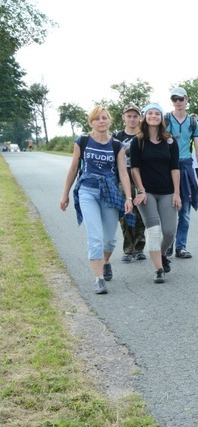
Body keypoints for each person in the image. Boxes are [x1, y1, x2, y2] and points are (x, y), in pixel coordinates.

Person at [59, 106, 133, 294]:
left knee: (109, 240)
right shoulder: (83, 141)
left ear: (110, 121)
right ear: (91, 122)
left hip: (109, 193)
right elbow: (73, 169)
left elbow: (123, 174)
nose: (101, 121)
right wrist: (65, 194)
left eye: (104, 118)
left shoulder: (117, 146)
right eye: (97, 118)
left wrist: (129, 197)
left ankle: (106, 261)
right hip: (87, 191)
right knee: (95, 238)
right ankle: (99, 279)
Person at [129, 103, 181, 283]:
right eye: (150, 113)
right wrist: (141, 190)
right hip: (147, 193)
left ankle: (161, 254)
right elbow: (134, 169)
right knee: (154, 231)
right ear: (145, 117)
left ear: (161, 118)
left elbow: (175, 168)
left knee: (169, 232)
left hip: (167, 192)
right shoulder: (138, 141)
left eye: (156, 113)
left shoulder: (170, 141)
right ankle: (159, 269)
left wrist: (176, 193)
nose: (153, 116)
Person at [164, 87, 198, 259]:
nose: (178, 102)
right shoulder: (166, 119)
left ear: (186, 99)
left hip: (185, 166)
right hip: (167, 167)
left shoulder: (193, 123)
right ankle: (167, 244)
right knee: (168, 209)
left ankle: (181, 246)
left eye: (180, 98)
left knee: (185, 210)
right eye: (174, 99)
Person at [114, 103, 147, 262]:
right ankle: (128, 249)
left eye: (135, 116)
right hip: (122, 175)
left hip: (141, 175)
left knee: (141, 212)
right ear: (123, 117)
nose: (132, 119)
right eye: (129, 116)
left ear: (140, 118)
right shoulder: (117, 137)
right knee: (126, 212)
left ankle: (139, 247)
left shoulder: (144, 136)